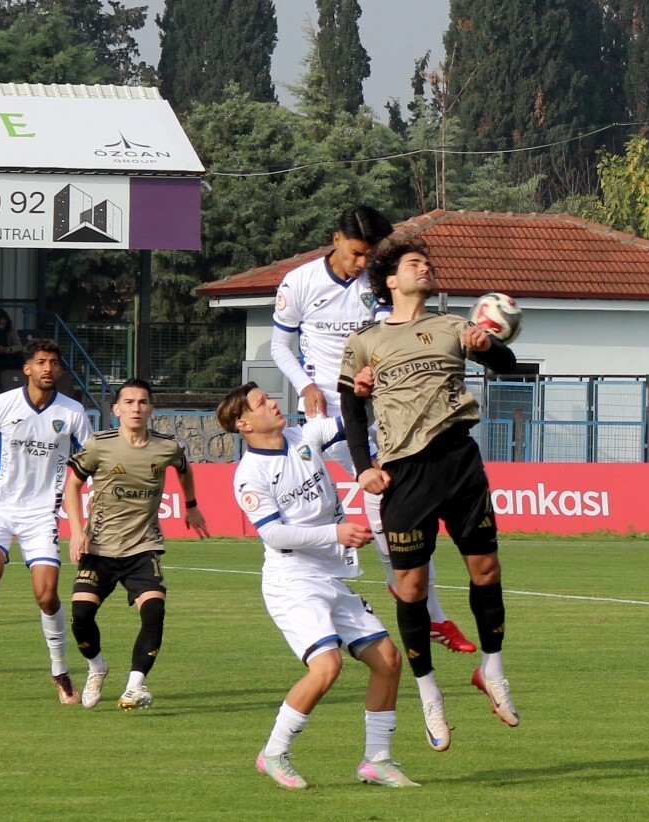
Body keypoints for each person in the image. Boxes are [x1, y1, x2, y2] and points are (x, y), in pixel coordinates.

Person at [338, 237, 520, 752]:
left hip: (459, 461)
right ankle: (428, 693)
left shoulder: (454, 326)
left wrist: (490, 347)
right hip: (404, 473)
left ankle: (493, 669)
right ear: (390, 280)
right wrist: (361, 469)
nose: (424, 267)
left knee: (486, 571)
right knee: (412, 587)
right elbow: (351, 408)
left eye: (426, 262)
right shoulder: (366, 341)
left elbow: (506, 364)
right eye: (412, 263)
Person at [269, 205, 475, 655]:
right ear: (336, 237)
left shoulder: (376, 283)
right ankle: (425, 611)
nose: (364, 264)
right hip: (330, 411)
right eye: (358, 254)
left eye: (371, 255)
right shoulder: (300, 282)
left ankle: (423, 607)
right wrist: (305, 386)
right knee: (383, 502)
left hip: (384, 407)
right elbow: (278, 345)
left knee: (397, 513)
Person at [217, 382, 418, 790]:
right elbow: (273, 535)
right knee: (327, 666)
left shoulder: (303, 436)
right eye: (262, 402)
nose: (274, 403)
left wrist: (366, 388)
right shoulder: (249, 475)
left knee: (388, 661)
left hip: (331, 575)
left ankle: (377, 761)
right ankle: (273, 753)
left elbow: (352, 422)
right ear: (243, 423)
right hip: (292, 581)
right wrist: (335, 533)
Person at [0, 339, 93, 703]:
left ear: (60, 370)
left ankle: (60, 672)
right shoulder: (3, 404)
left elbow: (93, 459)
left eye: (53, 362)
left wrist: (92, 500)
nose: (47, 367)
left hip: (43, 514)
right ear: (27, 369)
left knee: (47, 597)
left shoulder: (73, 412)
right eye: (40, 362)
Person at [63, 378, 209, 711]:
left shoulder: (167, 447)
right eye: (128, 402)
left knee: (154, 610)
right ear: (116, 409)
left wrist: (191, 505)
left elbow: (183, 470)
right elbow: (72, 486)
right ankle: (97, 666)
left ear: (151, 408)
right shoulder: (99, 444)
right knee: (81, 614)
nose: (136, 408)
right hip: (99, 547)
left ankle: (134, 686)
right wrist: (75, 529)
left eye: (142, 402)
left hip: (143, 546)